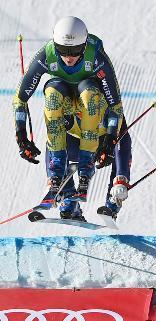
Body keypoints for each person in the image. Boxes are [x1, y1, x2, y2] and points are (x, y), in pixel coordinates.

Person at [12, 16, 124, 219]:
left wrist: (109, 138)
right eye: (63, 50)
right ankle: (56, 174)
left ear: (83, 45)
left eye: (74, 51)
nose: (69, 57)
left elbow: (115, 105)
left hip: (89, 103)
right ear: (55, 45)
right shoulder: (47, 55)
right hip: (65, 103)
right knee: (53, 94)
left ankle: (85, 164)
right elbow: (20, 99)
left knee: (88, 91)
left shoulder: (96, 56)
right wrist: (21, 134)